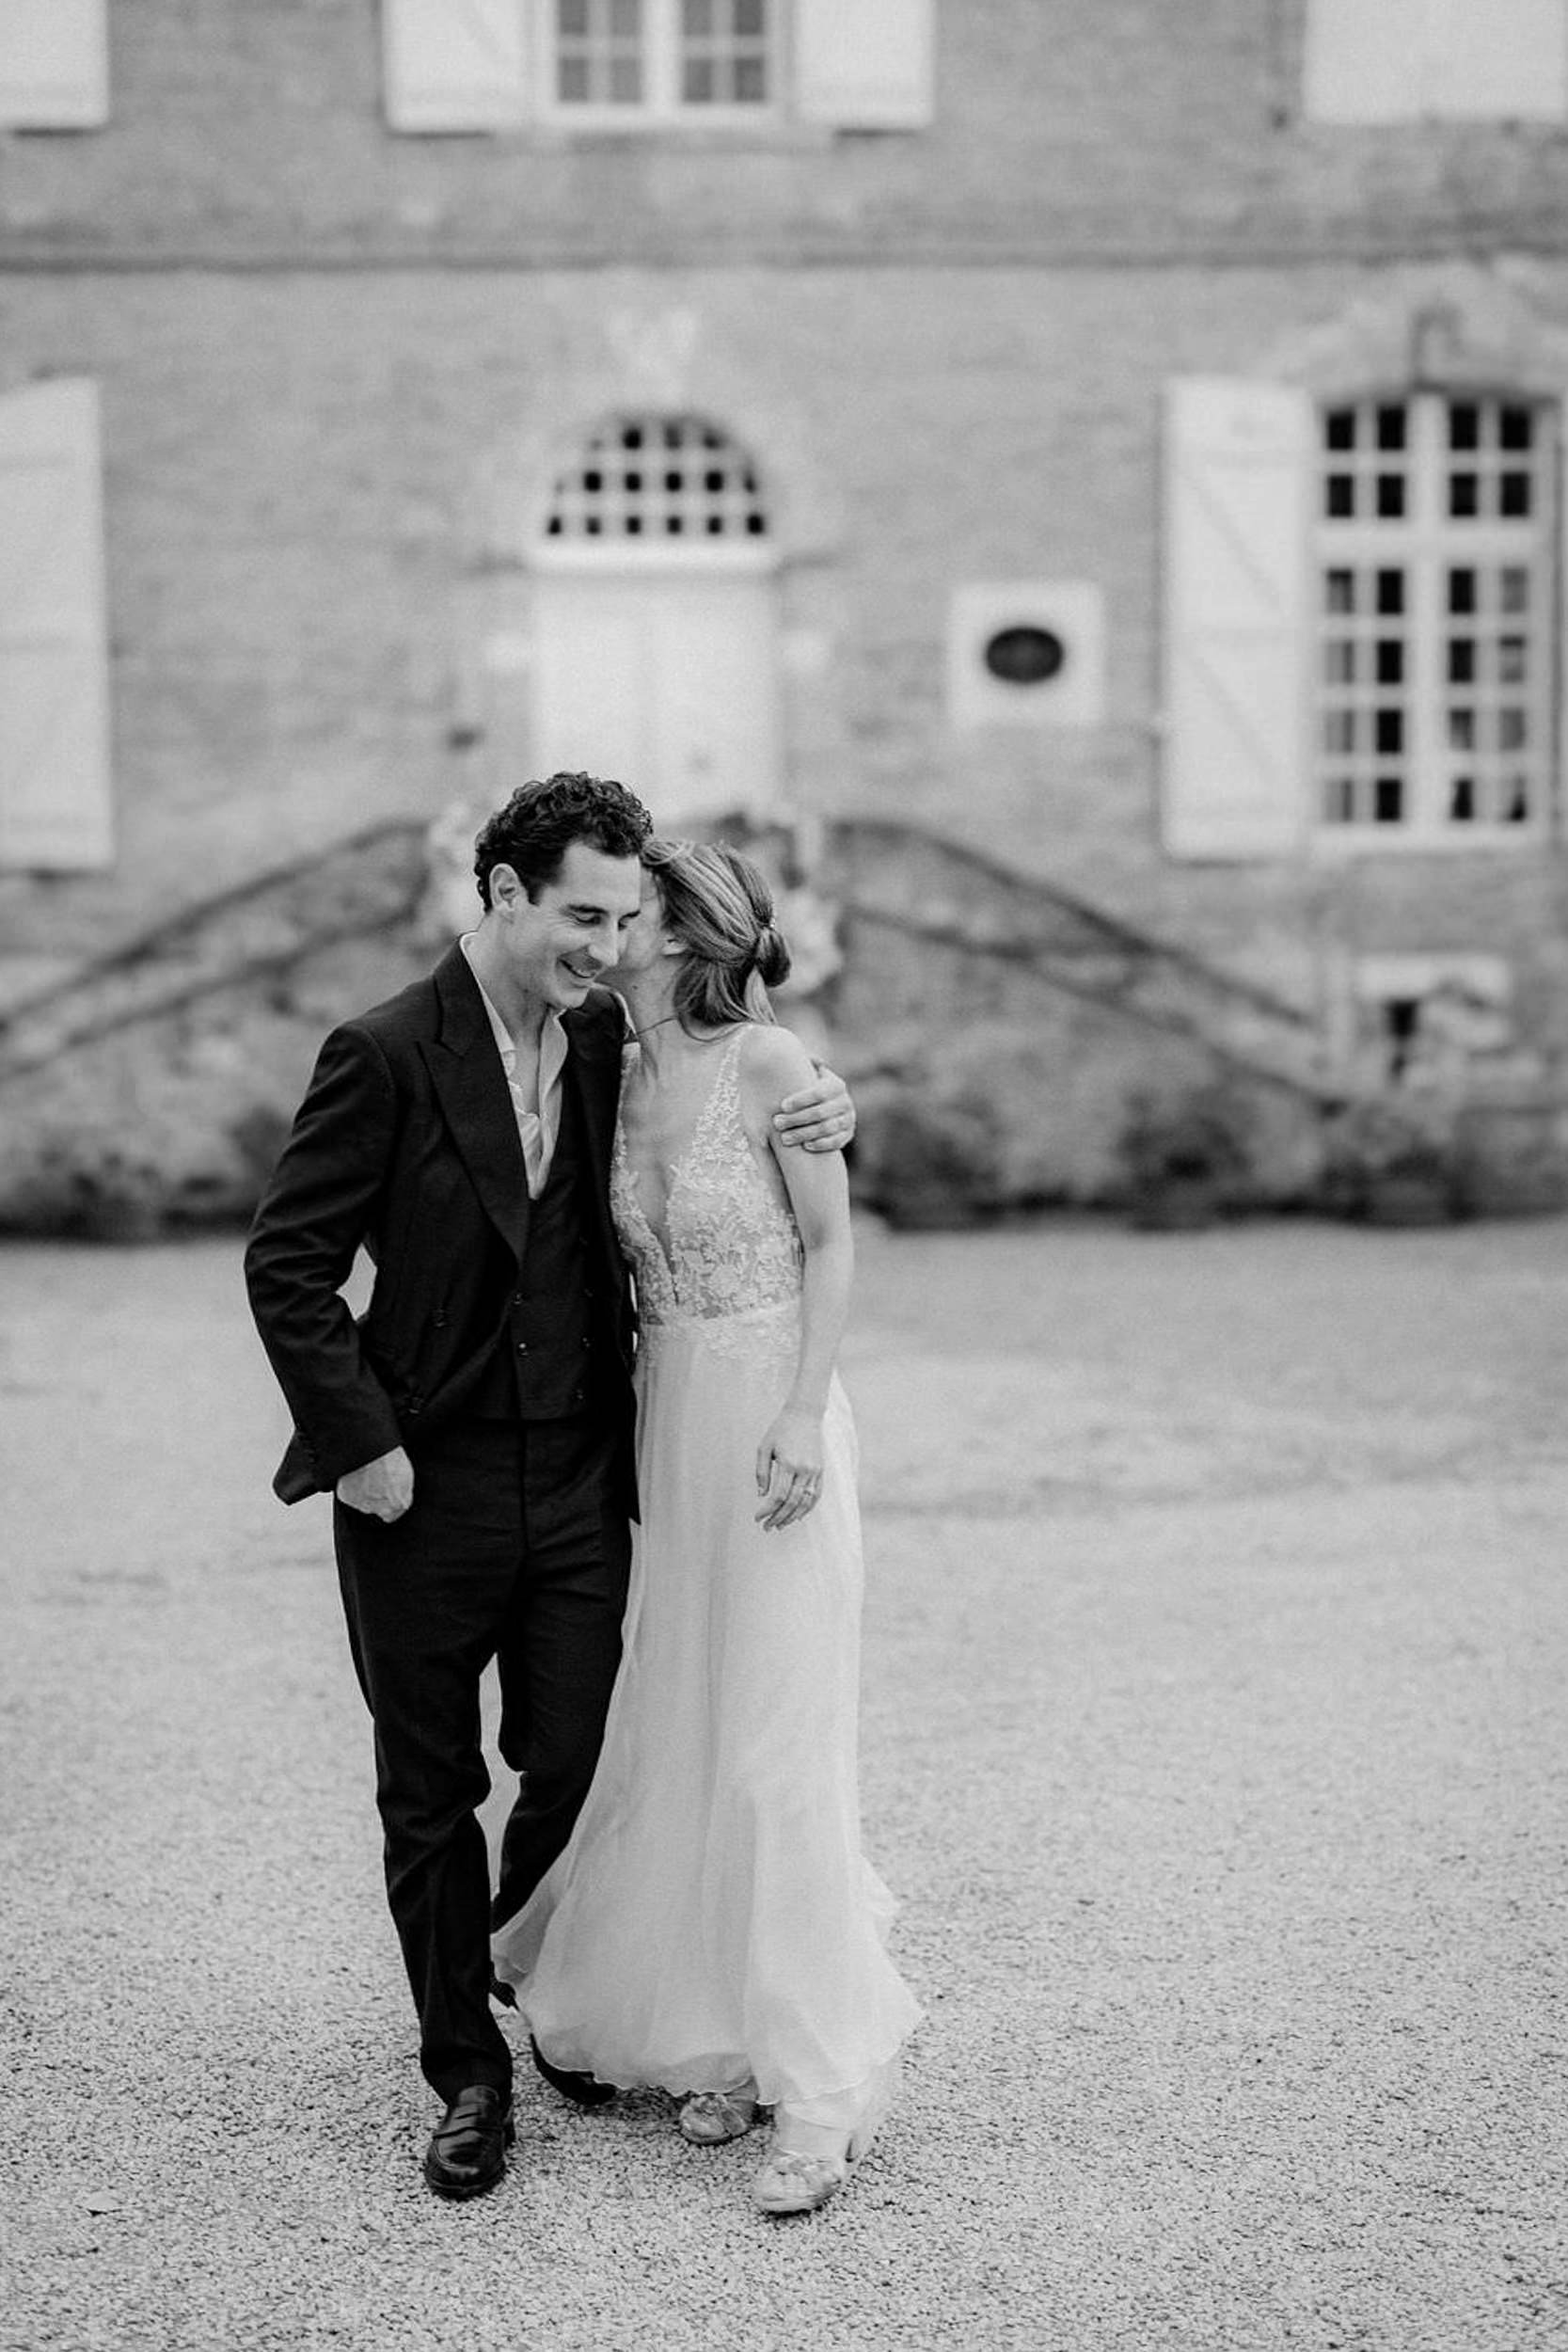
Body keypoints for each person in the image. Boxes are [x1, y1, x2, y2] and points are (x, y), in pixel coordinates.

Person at [243, 774, 852, 2202]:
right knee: (431, 1787)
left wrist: (824, 1102)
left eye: (626, 919)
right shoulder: (383, 1051)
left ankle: (542, 1974)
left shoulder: (600, 1045)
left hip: (585, 1473)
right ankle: (467, 2070)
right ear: (505, 892)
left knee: (583, 1756)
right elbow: (288, 1265)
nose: (607, 944)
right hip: (420, 1481)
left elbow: (728, 1096)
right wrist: (361, 1444)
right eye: (585, 916)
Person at [491, 838, 920, 2217]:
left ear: (682, 933)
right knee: (686, 1723)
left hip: (771, 1414)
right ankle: (724, 2031)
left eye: (633, 914)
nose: (608, 931)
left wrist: (800, 1414)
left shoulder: (778, 1065)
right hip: (668, 1424)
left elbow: (832, 1247)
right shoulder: (607, 1068)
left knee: (777, 1747)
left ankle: (819, 2088)